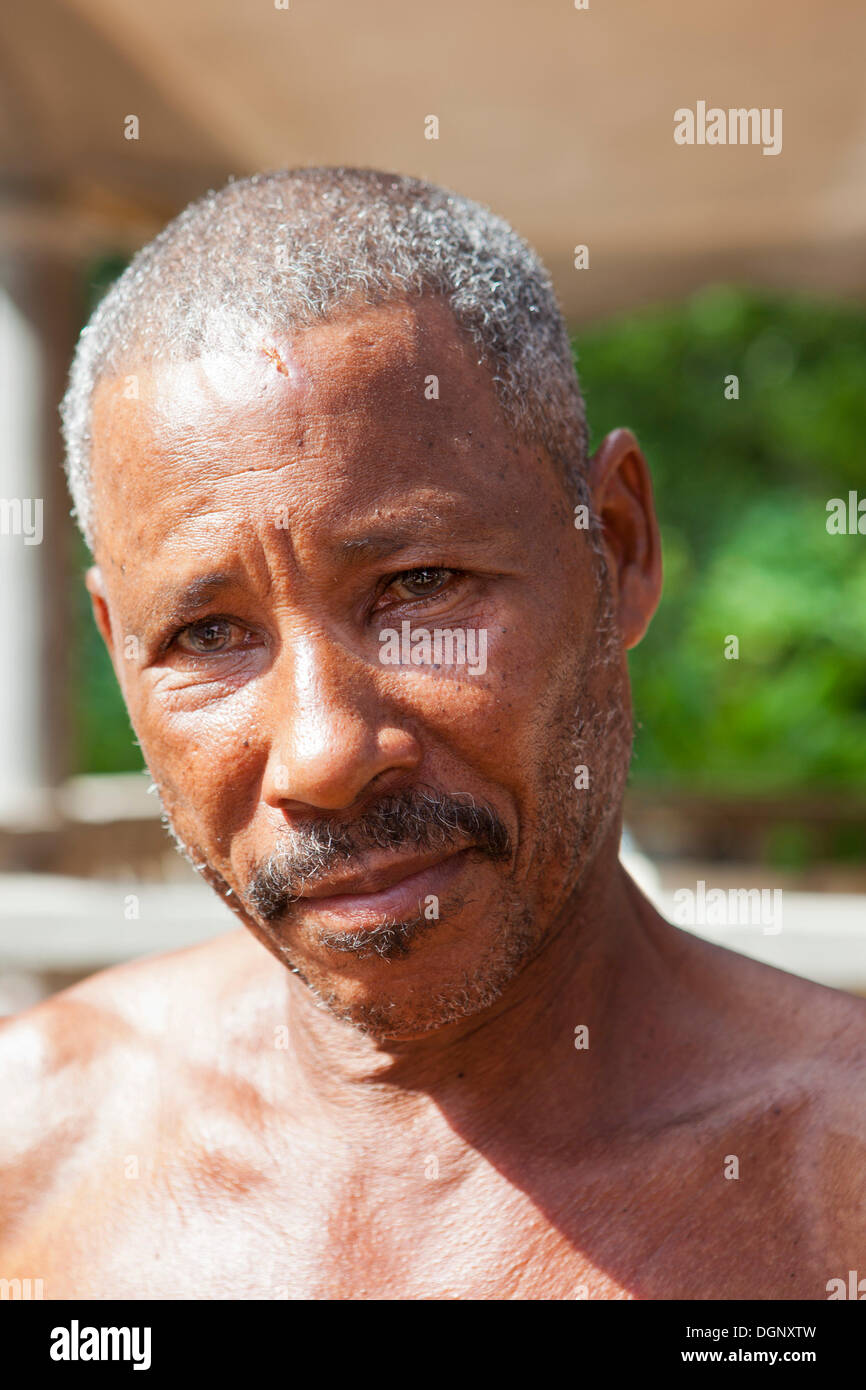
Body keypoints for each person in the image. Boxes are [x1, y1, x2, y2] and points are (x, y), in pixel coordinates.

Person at [1, 169, 863, 1300]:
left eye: (417, 587)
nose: (322, 756)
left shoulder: (830, 1191)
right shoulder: (35, 1153)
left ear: (614, 548)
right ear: (120, 649)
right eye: (209, 634)